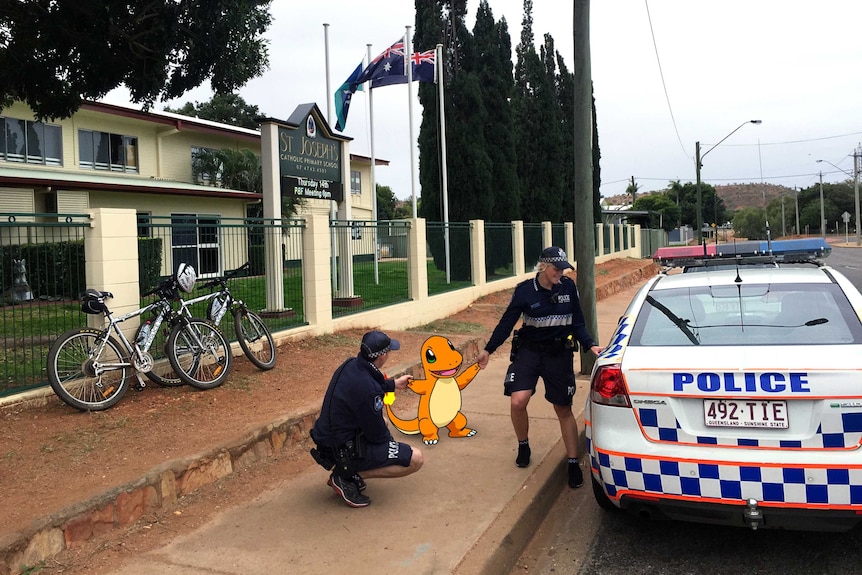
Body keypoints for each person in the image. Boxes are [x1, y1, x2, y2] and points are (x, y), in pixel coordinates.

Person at [476, 247, 602, 489]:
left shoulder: (568, 288)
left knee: (562, 409)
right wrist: (488, 350)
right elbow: (506, 323)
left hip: (558, 354)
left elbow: (578, 321)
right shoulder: (525, 291)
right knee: (517, 401)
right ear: (543, 266)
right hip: (530, 351)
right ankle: (523, 445)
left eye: (563, 268)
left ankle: (573, 462)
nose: (560, 273)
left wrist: (590, 345)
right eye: (557, 268)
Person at [310, 330, 424, 507]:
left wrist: (393, 384)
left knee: (383, 422)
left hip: (328, 438)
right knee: (415, 459)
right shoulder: (368, 390)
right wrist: (391, 448)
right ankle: (346, 475)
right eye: (389, 351)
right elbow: (377, 434)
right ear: (383, 355)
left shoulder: (350, 365)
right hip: (339, 448)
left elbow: (369, 383)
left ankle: (348, 470)